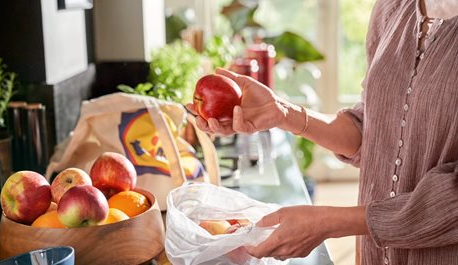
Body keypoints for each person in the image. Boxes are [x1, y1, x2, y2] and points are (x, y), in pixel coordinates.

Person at [186, 0, 458, 264]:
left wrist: (329, 222)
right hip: (375, 254)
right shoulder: (392, 7)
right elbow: (373, 131)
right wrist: (281, 112)